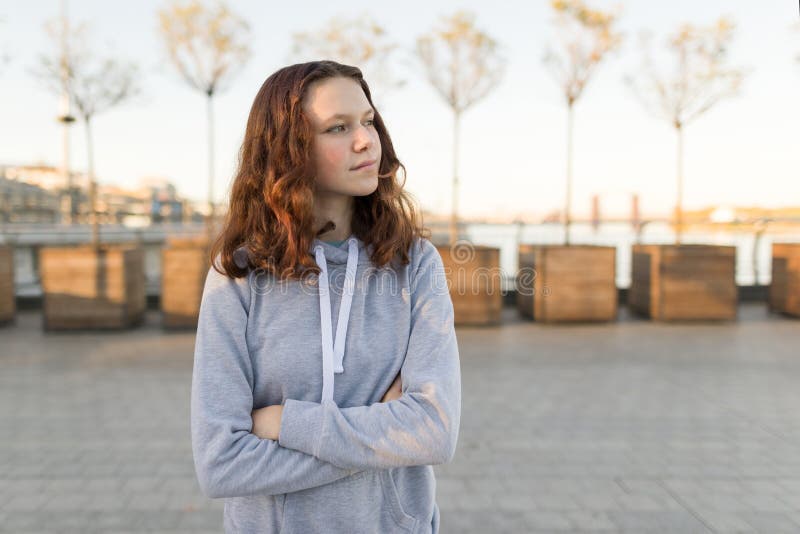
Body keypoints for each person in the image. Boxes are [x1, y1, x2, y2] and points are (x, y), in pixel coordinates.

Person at [190, 60, 462, 533]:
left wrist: (286, 424)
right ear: (287, 150)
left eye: (368, 121)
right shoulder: (237, 277)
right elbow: (222, 464)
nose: (365, 140)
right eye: (337, 128)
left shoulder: (414, 264)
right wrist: (381, 429)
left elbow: (435, 432)